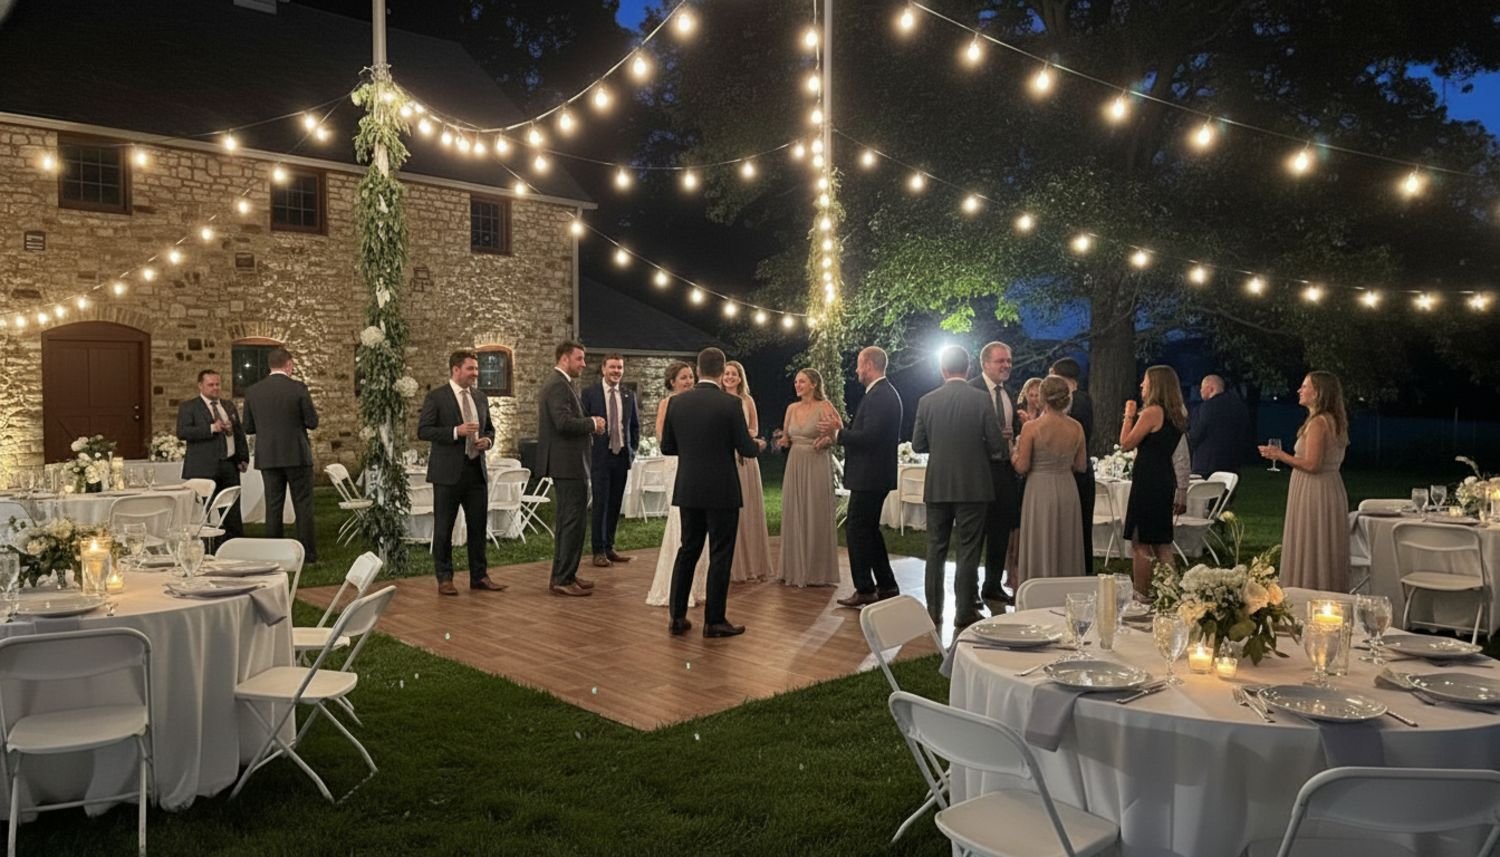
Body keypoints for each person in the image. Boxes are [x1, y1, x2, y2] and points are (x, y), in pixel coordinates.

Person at [660, 347, 765, 638]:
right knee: (720, 553)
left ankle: (677, 616)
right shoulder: (730, 404)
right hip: (722, 490)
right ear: (721, 372)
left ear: (698, 369)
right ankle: (714, 620)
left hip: (689, 488)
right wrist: (760, 445)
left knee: (688, 550)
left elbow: (667, 447)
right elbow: (746, 448)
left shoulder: (677, 404)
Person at [914, 346, 1006, 630]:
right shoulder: (981, 400)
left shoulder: (927, 401)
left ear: (943, 369)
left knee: (935, 548)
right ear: (968, 369)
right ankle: (964, 611)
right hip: (973, 486)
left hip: (938, 484)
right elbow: (996, 447)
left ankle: (933, 610)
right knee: (968, 550)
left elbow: (918, 445)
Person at [416, 351, 506, 596]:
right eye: (471, 369)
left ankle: (480, 576)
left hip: (476, 470)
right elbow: (424, 431)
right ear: (456, 370)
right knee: (444, 527)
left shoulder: (479, 397)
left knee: (478, 526)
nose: (476, 374)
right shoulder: (437, 397)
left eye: (476, 369)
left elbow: (490, 429)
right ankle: (444, 577)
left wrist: (487, 441)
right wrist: (456, 432)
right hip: (447, 474)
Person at [820, 346, 903, 608]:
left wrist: (838, 434)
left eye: (858, 365)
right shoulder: (881, 393)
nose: (856, 370)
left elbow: (870, 437)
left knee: (856, 529)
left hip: (871, 476)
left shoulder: (880, 396)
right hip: (874, 475)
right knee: (868, 530)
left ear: (868, 364)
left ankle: (865, 588)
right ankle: (887, 584)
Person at [1260, 371, 1350, 591]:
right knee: (1322, 542)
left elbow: (1312, 464)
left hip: (1315, 488)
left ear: (1318, 392)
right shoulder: (1333, 420)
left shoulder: (1319, 423)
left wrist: (1279, 455)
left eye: (1304, 386)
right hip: (1329, 487)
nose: (1299, 390)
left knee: (1311, 542)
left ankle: (1308, 588)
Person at [538, 341, 605, 597]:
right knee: (571, 521)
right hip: (567, 464)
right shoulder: (556, 384)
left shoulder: (563, 383)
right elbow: (563, 422)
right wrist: (592, 423)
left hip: (572, 462)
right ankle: (562, 578)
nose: (584, 364)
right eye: (580, 359)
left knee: (575, 522)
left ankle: (567, 573)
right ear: (565, 359)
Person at [242, 347, 318, 562]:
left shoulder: (253, 391)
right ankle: (307, 554)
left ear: (269, 365)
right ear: (288, 365)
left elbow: (248, 427)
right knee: (303, 504)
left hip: (269, 455)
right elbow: (312, 421)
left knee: (273, 506)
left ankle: (273, 552)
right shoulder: (298, 388)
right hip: (296, 454)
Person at [1011, 376, 1087, 588]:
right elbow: (1081, 465)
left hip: (1039, 489)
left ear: (1042, 398)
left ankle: (1038, 589)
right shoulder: (1076, 427)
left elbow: (1022, 467)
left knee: (1040, 539)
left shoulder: (1031, 428)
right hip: (1066, 487)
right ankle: (1067, 590)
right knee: (1066, 542)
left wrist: (1012, 453)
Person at [1120, 365, 1188, 596]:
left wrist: (1129, 415)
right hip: (1164, 476)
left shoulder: (1152, 412)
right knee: (1161, 541)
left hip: (1148, 478)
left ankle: (1141, 593)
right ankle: (1172, 592)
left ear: (1155, 385)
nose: (1141, 385)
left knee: (1141, 540)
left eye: (1145, 381)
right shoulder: (1177, 413)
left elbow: (1126, 443)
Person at [646, 362, 708, 607]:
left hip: (697, 463)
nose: (688, 381)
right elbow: (662, 436)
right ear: (672, 381)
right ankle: (676, 587)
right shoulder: (667, 404)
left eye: (690, 377)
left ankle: (698, 584)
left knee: (697, 519)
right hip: (675, 462)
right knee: (679, 518)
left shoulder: (697, 402)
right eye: (683, 378)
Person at [776, 368, 841, 587]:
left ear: (813, 384)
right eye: (796, 382)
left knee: (815, 511)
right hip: (795, 462)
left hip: (816, 462)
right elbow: (786, 436)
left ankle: (816, 570)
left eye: (802, 382)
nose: (797, 385)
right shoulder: (791, 408)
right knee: (794, 510)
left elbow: (837, 432)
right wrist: (781, 441)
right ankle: (793, 568)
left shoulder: (825, 406)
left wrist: (827, 440)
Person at [970, 341, 1022, 606]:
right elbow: (965, 433)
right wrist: (988, 438)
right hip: (979, 469)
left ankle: (993, 585)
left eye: (1009, 361)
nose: (1006, 366)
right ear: (985, 363)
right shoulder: (972, 390)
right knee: (976, 532)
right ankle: (970, 588)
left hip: (1004, 470)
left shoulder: (1008, 393)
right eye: (1001, 361)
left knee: (1001, 530)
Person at [176, 369, 247, 547]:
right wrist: (211, 429)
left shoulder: (228, 406)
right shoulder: (190, 407)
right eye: (211, 385)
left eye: (218, 384)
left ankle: (235, 544)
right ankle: (207, 546)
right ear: (200, 386)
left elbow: (239, 433)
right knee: (206, 509)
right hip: (204, 466)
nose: (215, 388)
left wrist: (242, 457)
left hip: (229, 464)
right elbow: (182, 432)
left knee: (231, 507)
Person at [582, 354, 640, 569]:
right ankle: (597, 550)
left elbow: (634, 426)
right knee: (601, 503)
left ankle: (609, 546)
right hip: (600, 456)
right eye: (613, 367)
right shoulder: (590, 394)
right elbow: (583, 423)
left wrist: (631, 451)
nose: (617, 371)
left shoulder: (628, 394)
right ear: (603, 369)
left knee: (615, 503)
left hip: (621, 456)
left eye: (620, 368)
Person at [723, 360, 774, 582]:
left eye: (734, 374)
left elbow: (754, 427)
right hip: (726, 457)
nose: (730, 377)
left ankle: (752, 562)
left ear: (740, 378)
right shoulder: (720, 399)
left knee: (748, 509)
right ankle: (733, 562)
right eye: (726, 373)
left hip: (745, 456)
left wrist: (745, 437)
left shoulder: (747, 400)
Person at [1050, 357, 1095, 574]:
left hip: (1076, 472)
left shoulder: (1076, 402)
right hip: (1077, 470)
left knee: (1078, 527)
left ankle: (1079, 571)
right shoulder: (1083, 399)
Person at [1189, 374, 1251, 477]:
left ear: (1210, 389)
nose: (1200, 391)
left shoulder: (1204, 408)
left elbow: (1195, 435)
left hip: (1206, 466)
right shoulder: (1240, 407)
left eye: (1202, 388)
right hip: (1232, 466)